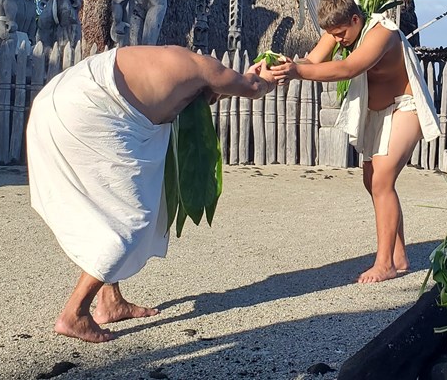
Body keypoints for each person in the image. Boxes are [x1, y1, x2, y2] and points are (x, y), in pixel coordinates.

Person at [27, 45, 277, 343]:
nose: (210, 101)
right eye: (213, 95)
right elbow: (251, 87)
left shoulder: (172, 65)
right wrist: (270, 77)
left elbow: (192, 96)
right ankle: (75, 313)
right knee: (132, 220)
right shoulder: (205, 68)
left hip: (64, 97)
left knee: (112, 205)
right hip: (88, 109)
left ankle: (110, 301)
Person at [270, 0, 441, 283]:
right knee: (370, 180)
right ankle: (399, 256)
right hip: (375, 112)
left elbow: (350, 68)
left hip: (405, 106)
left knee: (382, 180)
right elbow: (312, 60)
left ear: (355, 18)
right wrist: (288, 65)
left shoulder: (382, 32)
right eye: (332, 35)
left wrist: (299, 72)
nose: (337, 40)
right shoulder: (336, 31)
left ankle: (384, 263)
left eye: (340, 33)